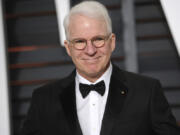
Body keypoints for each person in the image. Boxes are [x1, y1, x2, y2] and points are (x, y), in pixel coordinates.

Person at [21, 1, 180, 135]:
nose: (90, 51)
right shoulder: (43, 99)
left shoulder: (147, 91)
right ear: (68, 48)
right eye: (80, 41)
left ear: (112, 42)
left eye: (98, 39)